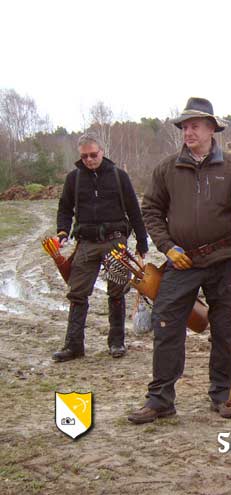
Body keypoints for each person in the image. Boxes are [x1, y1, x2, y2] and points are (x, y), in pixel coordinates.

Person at [127, 97, 231, 424]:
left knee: (227, 327)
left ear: (211, 129)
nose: (188, 132)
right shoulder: (166, 169)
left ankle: (222, 393)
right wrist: (168, 247)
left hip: (224, 258)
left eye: (194, 126)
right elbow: (151, 211)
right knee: (166, 322)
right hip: (182, 260)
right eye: (184, 126)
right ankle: (160, 398)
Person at [54, 132, 148, 362]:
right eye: (84, 156)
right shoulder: (73, 179)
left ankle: (117, 342)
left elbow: (134, 211)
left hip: (115, 242)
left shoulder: (119, 176)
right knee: (77, 293)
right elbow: (65, 208)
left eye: (93, 155)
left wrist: (142, 243)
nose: (89, 160)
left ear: (102, 152)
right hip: (85, 243)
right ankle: (74, 345)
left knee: (117, 291)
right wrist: (63, 232)